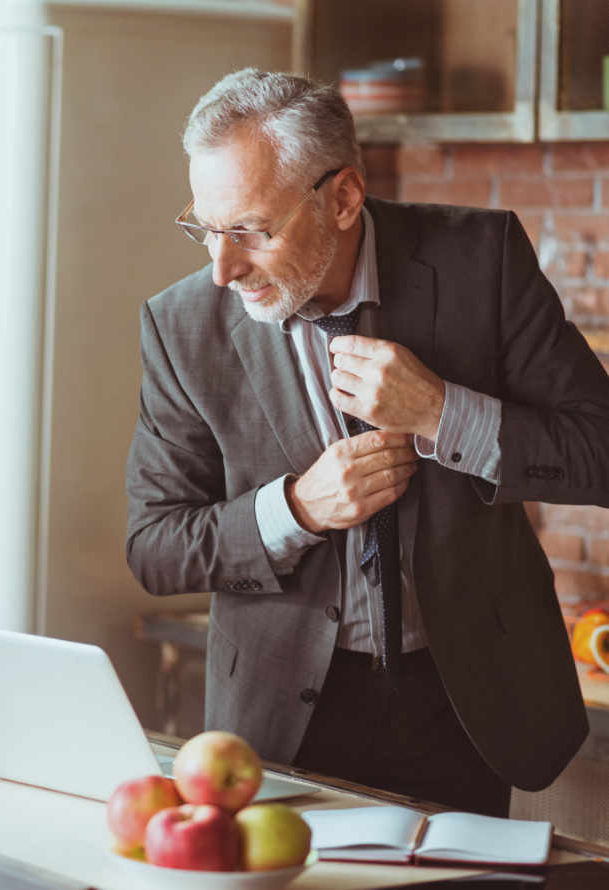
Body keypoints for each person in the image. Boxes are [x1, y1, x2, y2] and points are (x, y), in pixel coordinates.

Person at [125, 68, 609, 818]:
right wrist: (297, 509)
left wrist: (446, 414)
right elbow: (155, 545)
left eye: (251, 230)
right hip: (280, 719)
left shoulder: (483, 261)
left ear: (343, 198)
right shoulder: (183, 325)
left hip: (467, 704)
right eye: (204, 228)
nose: (222, 268)